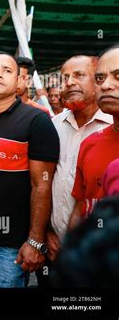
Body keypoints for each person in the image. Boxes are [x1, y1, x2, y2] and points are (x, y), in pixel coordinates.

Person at [0, 52, 60, 288]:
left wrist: (35, 241)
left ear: (19, 81)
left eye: (7, 70)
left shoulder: (37, 120)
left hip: (11, 242)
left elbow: (42, 185)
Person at [48, 55, 112, 261]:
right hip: (53, 245)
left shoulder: (112, 127)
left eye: (79, 75)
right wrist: (45, 232)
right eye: (64, 77)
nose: (69, 83)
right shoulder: (53, 125)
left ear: (98, 82)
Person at [69, 45, 119, 228]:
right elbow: (81, 207)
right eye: (99, 78)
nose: (105, 85)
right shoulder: (90, 143)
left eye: (118, 76)